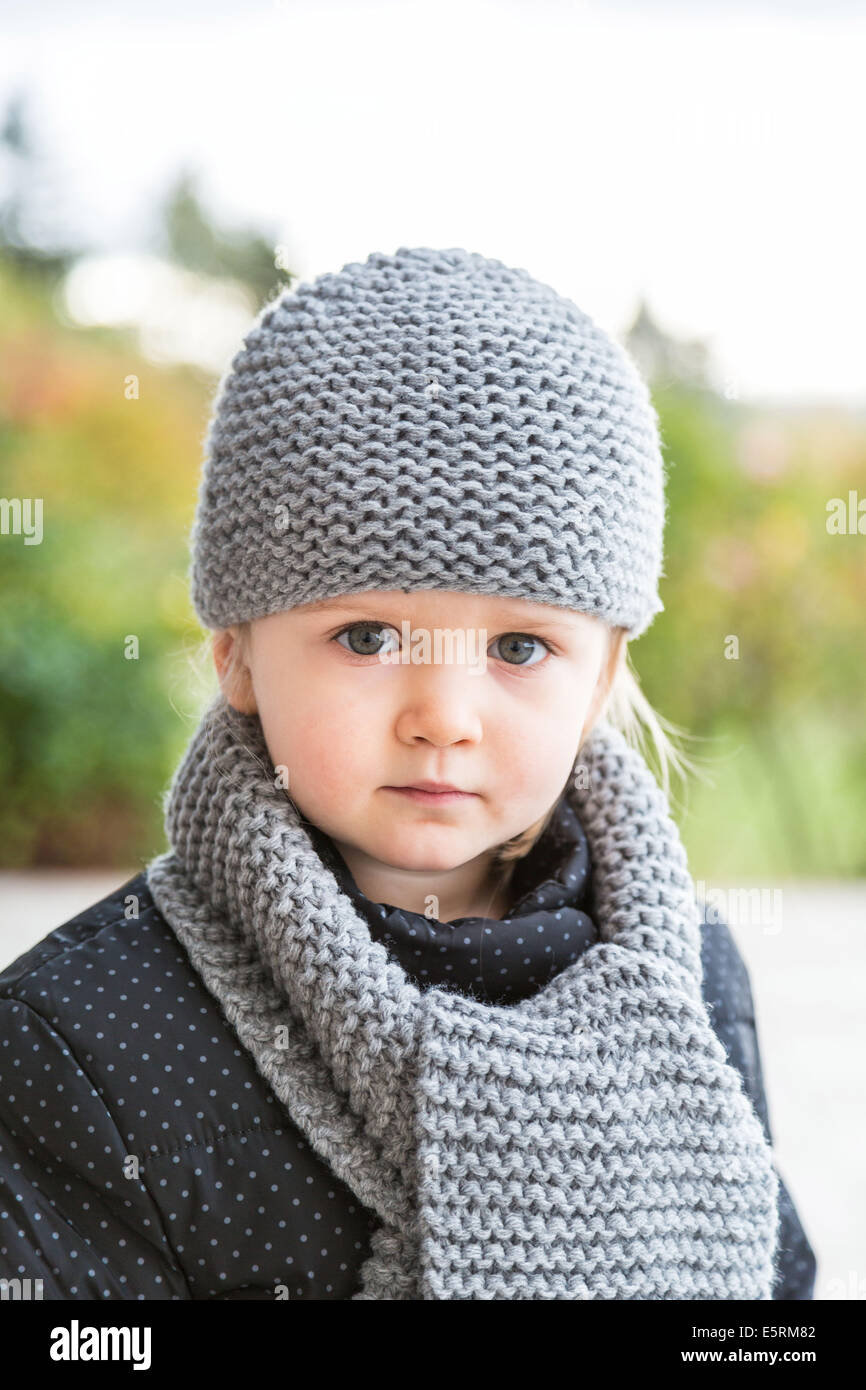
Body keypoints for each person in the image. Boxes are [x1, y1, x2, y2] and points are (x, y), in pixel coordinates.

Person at [0, 246, 816, 1300]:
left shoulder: (688, 977)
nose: (442, 715)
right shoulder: (86, 1035)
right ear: (236, 652)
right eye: (368, 635)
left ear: (603, 671)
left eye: (518, 648)